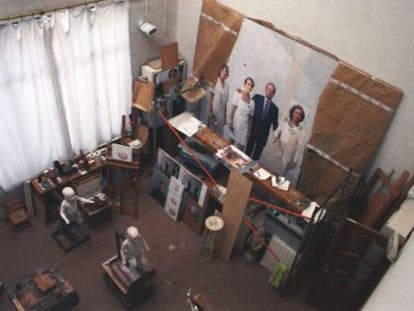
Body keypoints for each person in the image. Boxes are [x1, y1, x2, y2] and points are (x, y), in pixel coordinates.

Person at [246, 82, 279, 160]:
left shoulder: (275, 109)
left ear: (274, 93)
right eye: (269, 89)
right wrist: (241, 92)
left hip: (263, 135)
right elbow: (247, 101)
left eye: (272, 91)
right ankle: (241, 170)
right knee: (247, 152)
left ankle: (250, 170)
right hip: (253, 130)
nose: (270, 92)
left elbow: (275, 125)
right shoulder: (257, 98)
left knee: (256, 156)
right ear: (265, 89)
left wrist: (278, 135)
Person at [272, 105, 306, 176]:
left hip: (289, 154)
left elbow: (299, 148)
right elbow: (277, 132)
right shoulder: (284, 122)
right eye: (296, 112)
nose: (297, 115)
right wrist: (275, 137)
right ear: (292, 113)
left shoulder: (301, 132)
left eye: (300, 114)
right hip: (279, 148)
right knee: (273, 171)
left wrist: (295, 161)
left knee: (281, 175)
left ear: (301, 117)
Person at [228, 77, 255, 150]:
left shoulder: (252, 102)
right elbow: (233, 108)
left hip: (244, 128)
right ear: (244, 84)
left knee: (240, 150)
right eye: (248, 84)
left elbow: (250, 118)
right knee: (229, 146)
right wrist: (230, 122)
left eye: (252, 85)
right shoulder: (238, 94)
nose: (250, 87)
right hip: (236, 123)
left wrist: (248, 131)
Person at [208, 64, 229, 136]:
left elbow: (225, 103)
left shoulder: (227, 86)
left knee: (219, 134)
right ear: (219, 71)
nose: (224, 72)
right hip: (214, 110)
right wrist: (210, 110)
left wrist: (225, 117)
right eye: (223, 70)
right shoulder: (215, 81)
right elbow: (211, 95)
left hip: (221, 113)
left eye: (226, 71)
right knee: (211, 132)